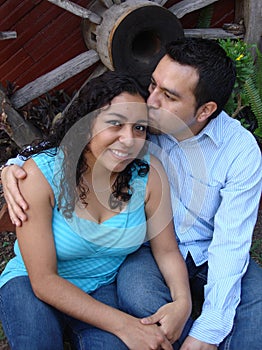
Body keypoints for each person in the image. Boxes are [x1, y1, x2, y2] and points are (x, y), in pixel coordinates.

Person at [1, 38, 262, 349]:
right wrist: (14, 165)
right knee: (137, 298)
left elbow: (230, 245)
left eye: (168, 96)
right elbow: (77, 134)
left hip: (202, 250)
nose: (151, 102)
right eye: (153, 85)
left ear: (204, 110)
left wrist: (198, 319)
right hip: (125, 258)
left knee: (254, 316)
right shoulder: (142, 121)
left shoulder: (234, 152)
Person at [0, 71, 192, 349]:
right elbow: (43, 280)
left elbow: (166, 250)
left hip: (100, 287)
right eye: (115, 123)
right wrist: (126, 325)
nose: (129, 139)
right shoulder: (41, 175)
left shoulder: (148, 174)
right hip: (30, 284)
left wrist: (183, 302)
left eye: (139, 128)